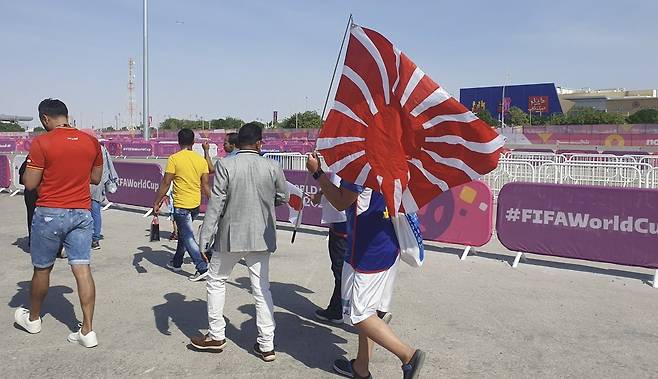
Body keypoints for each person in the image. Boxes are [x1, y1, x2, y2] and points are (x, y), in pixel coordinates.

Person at [305, 152, 426, 378]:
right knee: (372, 311)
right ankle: (361, 367)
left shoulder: (361, 162)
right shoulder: (397, 159)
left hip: (365, 250)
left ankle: (408, 355)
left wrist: (317, 173)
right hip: (388, 241)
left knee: (359, 315)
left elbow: (342, 201)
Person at [191, 123, 289, 362]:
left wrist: (205, 238)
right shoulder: (273, 166)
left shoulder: (225, 165)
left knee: (216, 281)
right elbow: (282, 197)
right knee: (261, 289)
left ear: (238, 143)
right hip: (261, 237)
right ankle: (267, 345)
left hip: (230, 236)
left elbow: (216, 204)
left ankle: (216, 335)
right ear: (259, 143)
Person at [14, 98, 103, 348]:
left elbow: (30, 183)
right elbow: (95, 178)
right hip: (81, 212)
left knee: (42, 269)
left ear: (45, 119)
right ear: (66, 115)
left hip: (50, 211)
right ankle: (87, 330)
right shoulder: (90, 142)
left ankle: (33, 319)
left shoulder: (42, 142)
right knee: (82, 269)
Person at [153, 128, 211, 281]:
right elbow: (205, 185)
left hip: (181, 204)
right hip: (195, 204)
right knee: (184, 235)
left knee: (187, 236)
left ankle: (201, 266)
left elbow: (166, 183)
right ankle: (177, 262)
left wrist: (157, 202)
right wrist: (214, 203)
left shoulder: (174, 159)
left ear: (178, 142)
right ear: (193, 142)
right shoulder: (201, 160)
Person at [89, 142, 117, 250]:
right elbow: (105, 168)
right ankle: (95, 239)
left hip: (87, 183)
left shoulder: (84, 147)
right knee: (96, 211)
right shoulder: (102, 149)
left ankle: (89, 237)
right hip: (98, 184)